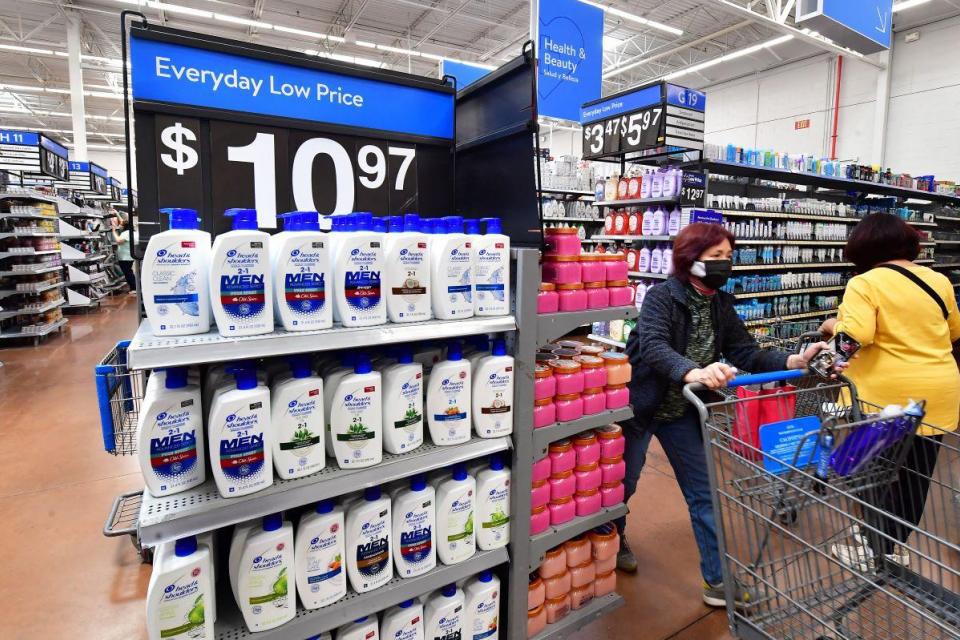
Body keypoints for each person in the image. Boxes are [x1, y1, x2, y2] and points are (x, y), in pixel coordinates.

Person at [616, 222, 828, 608]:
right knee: (624, 484)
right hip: (641, 407)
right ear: (690, 258)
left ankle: (717, 581)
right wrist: (693, 372)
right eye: (716, 256)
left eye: (728, 256)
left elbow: (746, 352)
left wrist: (794, 360)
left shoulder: (721, 305)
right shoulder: (661, 297)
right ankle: (614, 538)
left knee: (704, 494)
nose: (724, 263)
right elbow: (654, 347)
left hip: (683, 411)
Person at [820, 213, 960, 568]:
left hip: (886, 398)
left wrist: (830, 341)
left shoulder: (864, 283)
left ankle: (872, 549)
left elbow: (855, 336)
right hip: (937, 393)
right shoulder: (938, 280)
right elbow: (954, 331)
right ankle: (893, 544)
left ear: (862, 247)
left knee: (867, 470)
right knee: (915, 476)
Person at [113, 215, 136, 294]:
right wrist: (116, 213)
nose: (120, 226)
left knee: (128, 272)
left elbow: (119, 241)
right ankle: (134, 287)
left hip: (125, 257)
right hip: (128, 256)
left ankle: (134, 288)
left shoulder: (126, 233)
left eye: (121, 225)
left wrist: (114, 232)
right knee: (128, 272)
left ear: (124, 226)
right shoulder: (131, 232)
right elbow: (123, 222)